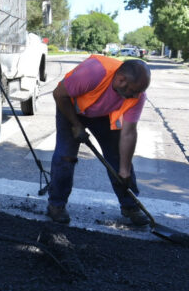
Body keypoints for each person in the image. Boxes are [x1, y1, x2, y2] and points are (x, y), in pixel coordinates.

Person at [47, 55, 151, 226]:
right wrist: (76, 125)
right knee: (66, 156)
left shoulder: (137, 96)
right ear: (121, 79)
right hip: (70, 108)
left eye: (139, 92)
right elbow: (59, 94)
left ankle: (130, 206)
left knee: (118, 159)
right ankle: (56, 205)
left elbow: (129, 133)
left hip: (103, 115)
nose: (135, 96)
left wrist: (124, 170)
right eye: (133, 91)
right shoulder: (94, 72)